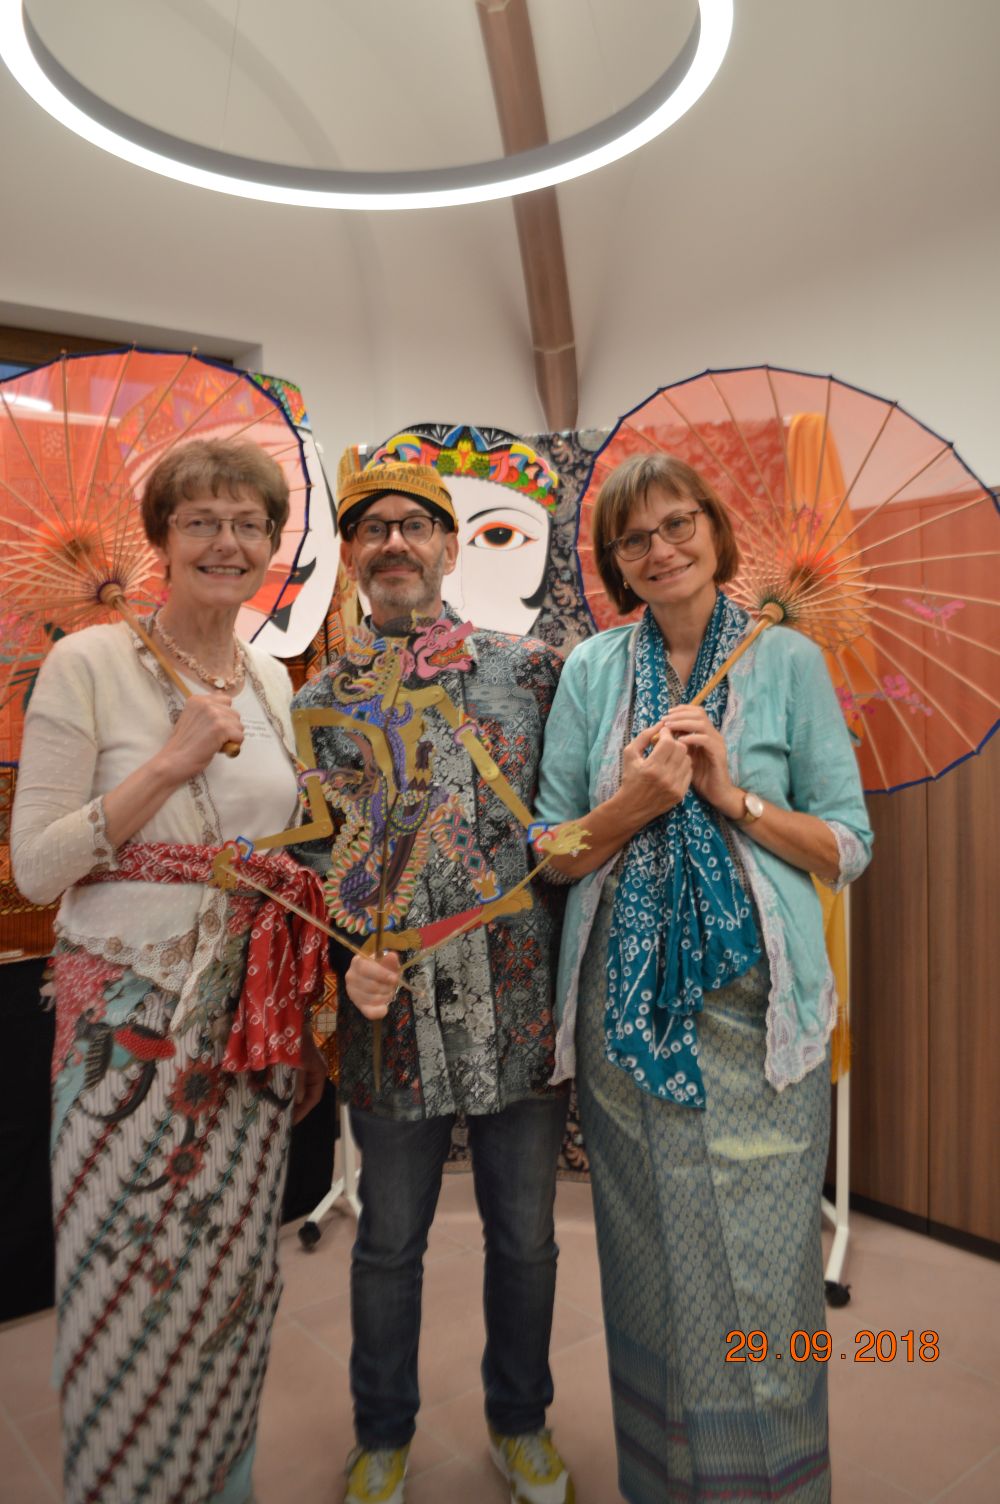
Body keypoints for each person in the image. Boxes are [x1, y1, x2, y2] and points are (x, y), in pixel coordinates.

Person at [533, 453, 873, 1504]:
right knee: (650, 1266)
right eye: (634, 538)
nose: (660, 549)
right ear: (616, 562)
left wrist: (733, 797)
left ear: (715, 533)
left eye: (677, 524)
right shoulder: (592, 670)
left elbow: (847, 846)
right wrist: (631, 805)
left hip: (757, 1021)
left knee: (764, 1276)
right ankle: (665, 1483)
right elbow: (551, 852)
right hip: (627, 1022)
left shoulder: (788, 662)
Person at [12, 438, 330, 1504]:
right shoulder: (90, 663)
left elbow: (282, 851)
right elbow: (36, 865)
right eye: (200, 521)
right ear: (162, 539)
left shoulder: (274, 678)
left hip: (249, 1021)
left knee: (233, 1280)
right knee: (131, 1279)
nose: (225, 542)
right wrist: (168, 761)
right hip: (128, 1028)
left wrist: (314, 1002)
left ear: (270, 545)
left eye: (248, 524)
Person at [292, 453, 574, 1504]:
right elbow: (316, 862)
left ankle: (521, 1420)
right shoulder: (319, 702)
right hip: (391, 1017)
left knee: (527, 1239)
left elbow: (569, 823)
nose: (396, 543)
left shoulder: (531, 673)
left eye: (416, 525)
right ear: (351, 555)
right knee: (386, 1244)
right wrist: (343, 950)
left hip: (519, 1004)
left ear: (451, 547)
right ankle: (382, 1436)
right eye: (373, 528)